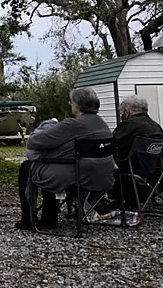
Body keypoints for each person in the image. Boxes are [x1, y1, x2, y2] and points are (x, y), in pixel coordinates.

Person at [15, 87, 115, 230]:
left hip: (78, 176)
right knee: (52, 168)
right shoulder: (102, 124)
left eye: (71, 102)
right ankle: (49, 217)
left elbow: (34, 142)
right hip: (102, 177)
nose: (70, 104)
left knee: (28, 167)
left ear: (77, 105)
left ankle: (28, 219)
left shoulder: (72, 124)